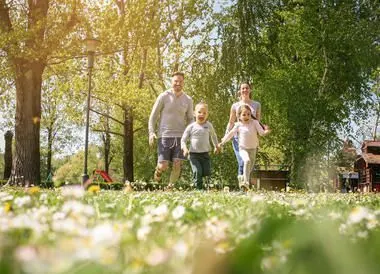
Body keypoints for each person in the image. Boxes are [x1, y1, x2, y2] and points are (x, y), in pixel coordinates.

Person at [148, 72, 194, 186]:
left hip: (180, 137)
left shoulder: (188, 100)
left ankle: (170, 187)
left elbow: (190, 119)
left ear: (183, 83)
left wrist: (190, 134)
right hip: (164, 135)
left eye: (180, 81)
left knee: (177, 164)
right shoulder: (164, 96)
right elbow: (153, 116)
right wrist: (151, 132)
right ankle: (158, 171)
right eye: (175, 81)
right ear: (172, 82)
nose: (178, 83)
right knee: (163, 166)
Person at [219, 104, 270, 190]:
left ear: (251, 115)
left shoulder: (255, 123)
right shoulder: (238, 125)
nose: (246, 116)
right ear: (239, 116)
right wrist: (222, 142)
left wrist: (266, 131)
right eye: (244, 114)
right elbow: (230, 134)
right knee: (247, 161)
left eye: (248, 114)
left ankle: (242, 177)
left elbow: (261, 133)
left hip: (253, 149)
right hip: (243, 148)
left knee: (249, 168)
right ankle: (246, 183)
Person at [225, 82, 261, 184]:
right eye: (243, 88)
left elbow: (257, 122)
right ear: (239, 91)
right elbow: (231, 122)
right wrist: (226, 136)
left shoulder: (256, 105)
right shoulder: (235, 106)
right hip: (238, 138)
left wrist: (259, 136)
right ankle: (243, 187)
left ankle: (244, 182)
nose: (245, 90)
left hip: (251, 139)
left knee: (250, 163)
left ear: (250, 90)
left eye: (247, 88)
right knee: (242, 162)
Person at [181, 102, 220, 190]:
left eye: (204, 113)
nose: (202, 114)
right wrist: (184, 148)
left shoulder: (209, 125)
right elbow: (183, 140)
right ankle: (198, 189)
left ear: (207, 115)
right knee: (197, 171)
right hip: (193, 155)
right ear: (194, 113)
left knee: (206, 172)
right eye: (199, 112)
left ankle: (206, 187)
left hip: (205, 154)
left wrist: (216, 146)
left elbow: (213, 136)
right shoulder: (191, 127)